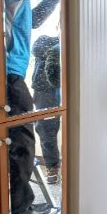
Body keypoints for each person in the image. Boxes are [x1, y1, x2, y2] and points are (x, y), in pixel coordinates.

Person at [2, 0, 60, 214]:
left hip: (4, 71)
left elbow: (32, 20)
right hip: (7, 75)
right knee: (21, 141)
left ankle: (13, 202)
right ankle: (19, 209)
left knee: (12, 141)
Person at [32, 34, 61, 184]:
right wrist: (58, 46)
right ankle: (52, 167)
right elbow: (36, 49)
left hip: (69, 87)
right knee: (46, 129)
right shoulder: (45, 39)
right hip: (45, 91)